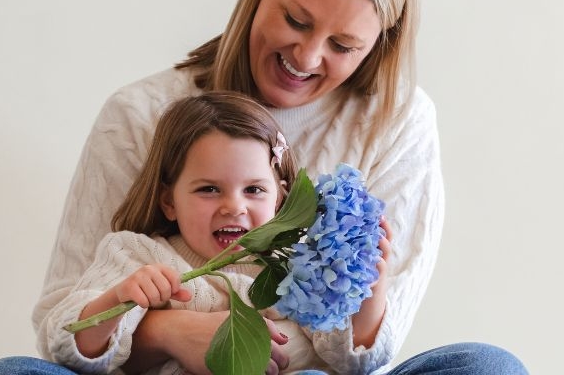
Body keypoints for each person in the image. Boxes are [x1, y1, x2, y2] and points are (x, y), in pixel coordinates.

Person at [0, 0, 528, 374]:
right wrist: (167, 329)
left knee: (487, 367)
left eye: (342, 46)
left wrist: (367, 287)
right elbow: (61, 331)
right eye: (295, 19)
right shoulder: (139, 249)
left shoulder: (298, 266)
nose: (307, 56)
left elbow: (359, 356)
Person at [44, 92, 362, 374]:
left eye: (253, 189)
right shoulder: (137, 256)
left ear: (279, 198)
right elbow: (69, 347)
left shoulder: (297, 269)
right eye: (209, 189)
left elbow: (348, 356)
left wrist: (369, 273)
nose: (234, 206)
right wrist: (117, 298)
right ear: (169, 201)